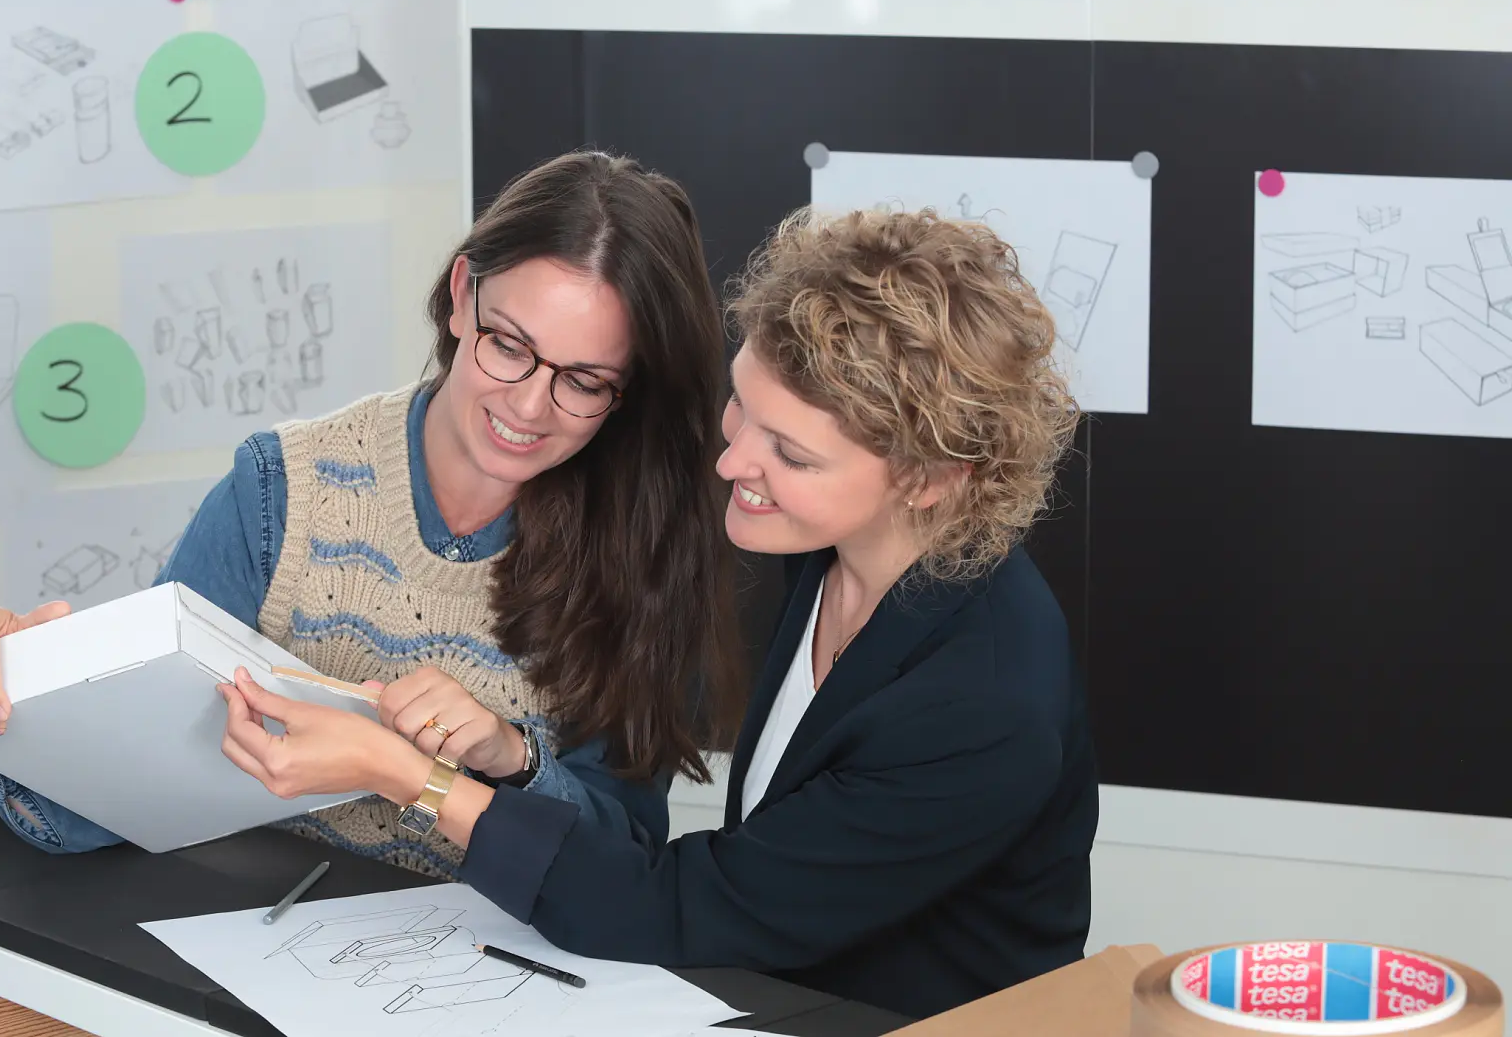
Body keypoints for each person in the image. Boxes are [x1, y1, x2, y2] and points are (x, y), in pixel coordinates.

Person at [210, 205, 1099, 1019]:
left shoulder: (982, 704)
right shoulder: (833, 554)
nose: (732, 463)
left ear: (932, 479)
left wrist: (407, 775)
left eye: (787, 451)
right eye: (741, 410)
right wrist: (508, 758)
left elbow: (683, 907)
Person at [0, 150, 745, 879]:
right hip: (255, 942)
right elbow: (116, 799)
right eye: (510, 345)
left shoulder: (646, 545)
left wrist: (514, 759)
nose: (528, 405)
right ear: (462, 296)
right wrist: (1, 688)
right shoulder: (281, 491)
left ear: (625, 390)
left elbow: (626, 862)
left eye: (585, 381)